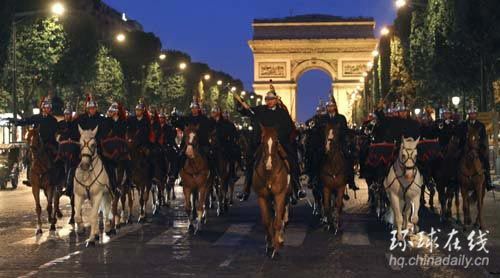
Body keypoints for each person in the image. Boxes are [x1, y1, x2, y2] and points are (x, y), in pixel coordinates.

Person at [238, 87, 306, 204]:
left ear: (276, 100)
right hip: (262, 142)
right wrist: (241, 105)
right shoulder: (260, 110)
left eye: (271, 99)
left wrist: (279, 137)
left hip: (279, 142)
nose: (269, 101)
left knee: (292, 158)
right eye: (267, 99)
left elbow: (288, 128)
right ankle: (246, 187)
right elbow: (247, 112)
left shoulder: (282, 113)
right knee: (250, 159)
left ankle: (297, 186)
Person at [458, 106, 494, 191]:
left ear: (476, 115)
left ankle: (488, 180)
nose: (472, 115)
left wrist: (481, 147)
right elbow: (461, 137)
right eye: (470, 113)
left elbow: (483, 138)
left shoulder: (480, 125)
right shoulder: (464, 125)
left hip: (477, 148)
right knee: (456, 158)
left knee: (485, 160)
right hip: (466, 148)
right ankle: (455, 180)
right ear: (468, 114)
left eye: (473, 113)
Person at [209, 106, 239, 183]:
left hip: (224, 144)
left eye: (215, 113)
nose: (214, 114)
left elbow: (231, 134)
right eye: (213, 113)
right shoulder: (210, 122)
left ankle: (233, 173)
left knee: (232, 155)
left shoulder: (226, 123)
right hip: (212, 145)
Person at [56, 107, 79, 196]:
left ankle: (68, 184)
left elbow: (77, 135)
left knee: (71, 164)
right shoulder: (60, 124)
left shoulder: (74, 124)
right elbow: (58, 134)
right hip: (62, 149)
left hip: (73, 150)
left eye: (68, 114)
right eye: (65, 114)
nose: (67, 116)